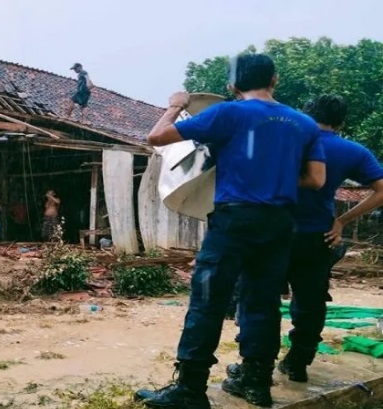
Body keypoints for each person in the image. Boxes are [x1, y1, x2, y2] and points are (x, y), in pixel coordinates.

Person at [133, 53, 326, 409]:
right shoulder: (305, 124)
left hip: (235, 221)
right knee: (263, 301)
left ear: (232, 85)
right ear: (275, 80)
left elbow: (156, 137)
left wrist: (175, 105)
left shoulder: (228, 112)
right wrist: (276, 177)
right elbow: (316, 179)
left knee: (208, 300)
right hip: (280, 223)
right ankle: (255, 383)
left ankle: (190, 389)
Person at [227, 95, 383, 384]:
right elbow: (381, 189)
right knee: (311, 302)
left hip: (271, 234)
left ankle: (254, 370)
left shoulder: (284, 141)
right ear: (342, 122)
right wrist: (342, 220)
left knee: (260, 300)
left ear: (305, 115)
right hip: (318, 237)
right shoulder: (353, 151)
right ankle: (298, 363)